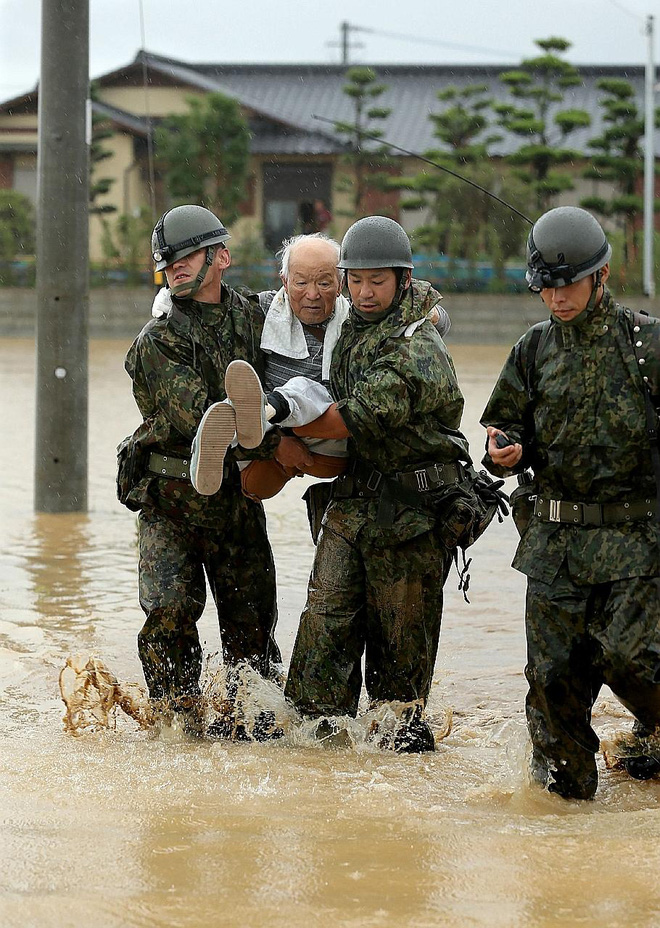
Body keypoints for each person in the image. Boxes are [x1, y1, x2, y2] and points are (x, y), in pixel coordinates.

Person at [480, 206, 660, 799]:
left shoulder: (646, 346)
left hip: (636, 541)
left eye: (569, 285)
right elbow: (504, 424)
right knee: (553, 685)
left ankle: (650, 736)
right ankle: (565, 816)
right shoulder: (532, 350)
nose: (557, 298)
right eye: (546, 288)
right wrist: (504, 448)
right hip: (556, 543)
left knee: (633, 661)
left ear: (601, 276)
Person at [280, 216, 473, 753]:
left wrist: (270, 428)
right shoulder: (350, 329)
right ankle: (321, 777)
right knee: (320, 645)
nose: (364, 293)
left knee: (398, 685)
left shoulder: (418, 347)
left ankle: (400, 796)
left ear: (402, 280)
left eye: (378, 281)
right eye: (355, 280)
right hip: (351, 504)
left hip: (410, 517)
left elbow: (346, 419)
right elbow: (287, 312)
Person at [118, 205, 281, 735]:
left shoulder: (258, 316)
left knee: (252, 631)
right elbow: (199, 417)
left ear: (222, 257)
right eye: (169, 259)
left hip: (236, 498)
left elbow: (322, 317)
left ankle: (251, 728)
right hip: (171, 501)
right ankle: (176, 730)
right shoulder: (158, 339)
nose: (176, 266)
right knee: (168, 620)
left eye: (188, 255)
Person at [188, 232, 450, 501]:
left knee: (307, 388)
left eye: (324, 283)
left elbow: (437, 324)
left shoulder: (357, 315)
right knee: (228, 410)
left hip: (329, 436)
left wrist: (422, 310)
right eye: (300, 283)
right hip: (265, 443)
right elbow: (216, 303)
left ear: (340, 284)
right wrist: (165, 304)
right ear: (285, 282)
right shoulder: (264, 308)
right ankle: (211, 447)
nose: (312, 295)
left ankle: (267, 409)